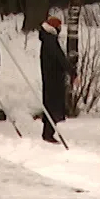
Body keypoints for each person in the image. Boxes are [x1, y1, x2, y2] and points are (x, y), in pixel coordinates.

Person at [37, 13, 70, 144]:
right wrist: (71, 71)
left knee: (50, 103)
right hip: (53, 77)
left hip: (50, 76)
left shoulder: (47, 39)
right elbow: (60, 58)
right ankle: (48, 132)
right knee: (52, 104)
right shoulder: (50, 41)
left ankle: (48, 131)